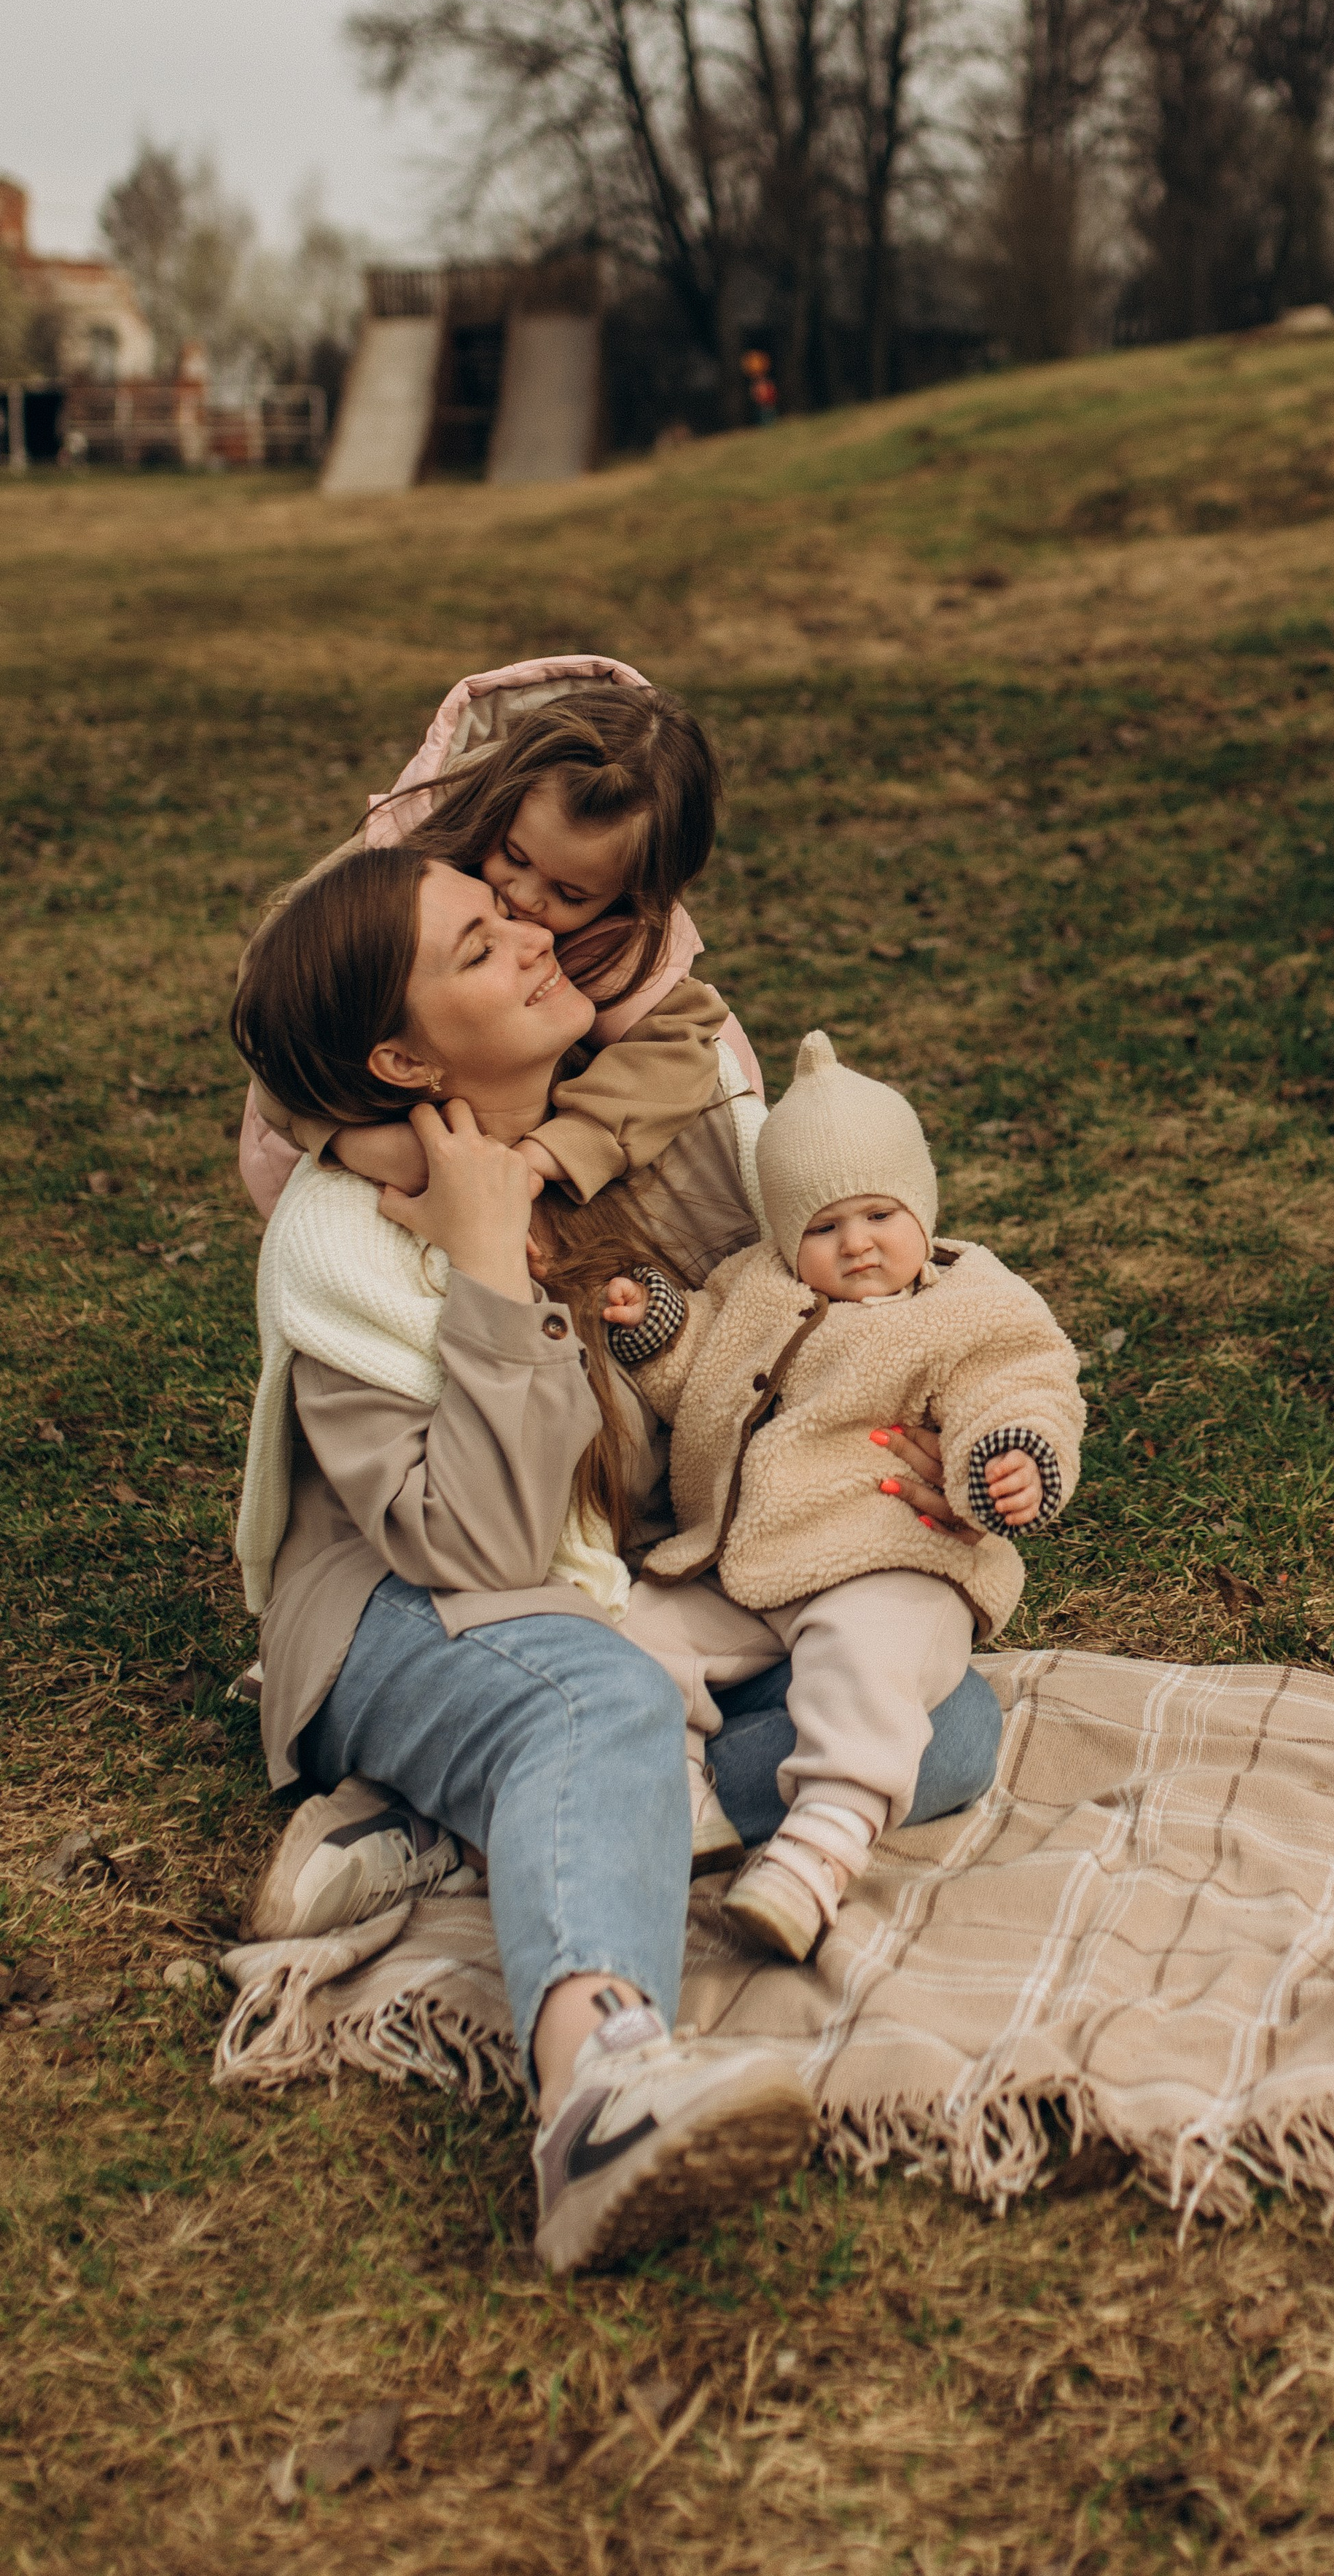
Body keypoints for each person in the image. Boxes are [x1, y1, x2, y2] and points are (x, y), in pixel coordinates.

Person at [227, 848, 1002, 2271]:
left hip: (619, 1594)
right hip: (412, 1613)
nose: (532, 937)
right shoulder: (342, 1240)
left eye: (508, 911)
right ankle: (598, 2086)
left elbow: (756, 1348)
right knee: (599, 1703)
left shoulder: (619, 1140)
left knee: (938, 1726)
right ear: (402, 1052)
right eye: (478, 944)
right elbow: (487, 1542)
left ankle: (448, 1825)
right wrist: (485, 1273)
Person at [604, 1031, 1085, 1962]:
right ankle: (680, 1794)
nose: (856, 1243)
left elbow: (1021, 1383)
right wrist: (658, 1328)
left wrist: (1010, 1455)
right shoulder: (753, 1287)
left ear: (921, 1204)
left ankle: (822, 1841)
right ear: (787, 1236)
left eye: (878, 1215)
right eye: (823, 1228)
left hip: (886, 1549)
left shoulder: (968, 1302)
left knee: (869, 1667)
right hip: (742, 1556)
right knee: (637, 1635)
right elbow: (701, 1373)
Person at [237, 659, 763, 1271]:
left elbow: (679, 1049)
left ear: (632, 893)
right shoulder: (413, 851)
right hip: (371, 1107)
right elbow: (279, 1011)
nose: (525, 900)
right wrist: (348, 1139)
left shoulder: (630, 942)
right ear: (500, 801)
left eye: (570, 896)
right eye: (514, 855)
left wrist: (549, 1153)